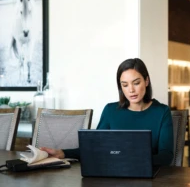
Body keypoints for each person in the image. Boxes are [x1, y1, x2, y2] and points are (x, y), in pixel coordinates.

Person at [41, 58, 174, 166]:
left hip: (147, 177)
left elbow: (166, 156)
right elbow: (94, 148)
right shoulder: (111, 111)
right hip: (112, 176)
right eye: (125, 85)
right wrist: (62, 153)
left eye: (136, 83)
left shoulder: (162, 112)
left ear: (146, 81)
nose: (131, 90)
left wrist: (131, 162)